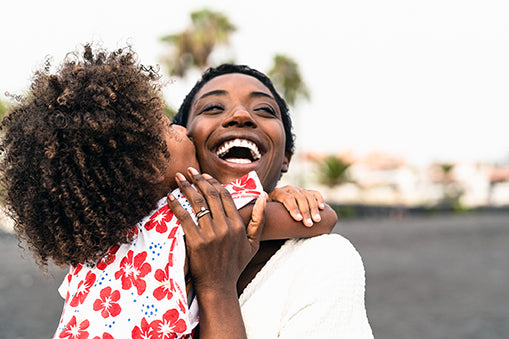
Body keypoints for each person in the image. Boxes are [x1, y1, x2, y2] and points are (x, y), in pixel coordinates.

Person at [0, 45, 335, 338]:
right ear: (148, 167)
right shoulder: (185, 217)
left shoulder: (92, 260)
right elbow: (318, 218)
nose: (179, 128)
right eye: (166, 128)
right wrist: (276, 196)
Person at [172, 64, 374, 338]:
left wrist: (216, 288)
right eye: (213, 108)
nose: (240, 115)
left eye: (265, 110)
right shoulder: (130, 237)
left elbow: (324, 216)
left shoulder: (320, 261)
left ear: (286, 158)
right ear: (183, 140)